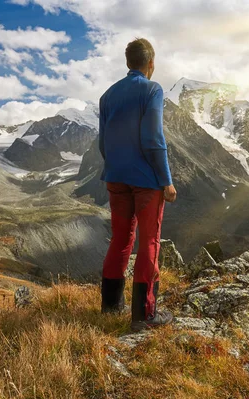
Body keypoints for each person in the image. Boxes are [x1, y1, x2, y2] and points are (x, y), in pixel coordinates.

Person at [98, 37, 177, 332]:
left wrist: (115, 166)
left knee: (120, 238)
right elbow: (153, 139)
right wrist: (166, 181)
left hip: (115, 179)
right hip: (146, 182)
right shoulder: (152, 90)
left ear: (128, 62)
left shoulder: (107, 96)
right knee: (149, 242)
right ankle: (144, 315)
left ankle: (110, 306)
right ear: (151, 63)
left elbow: (103, 142)